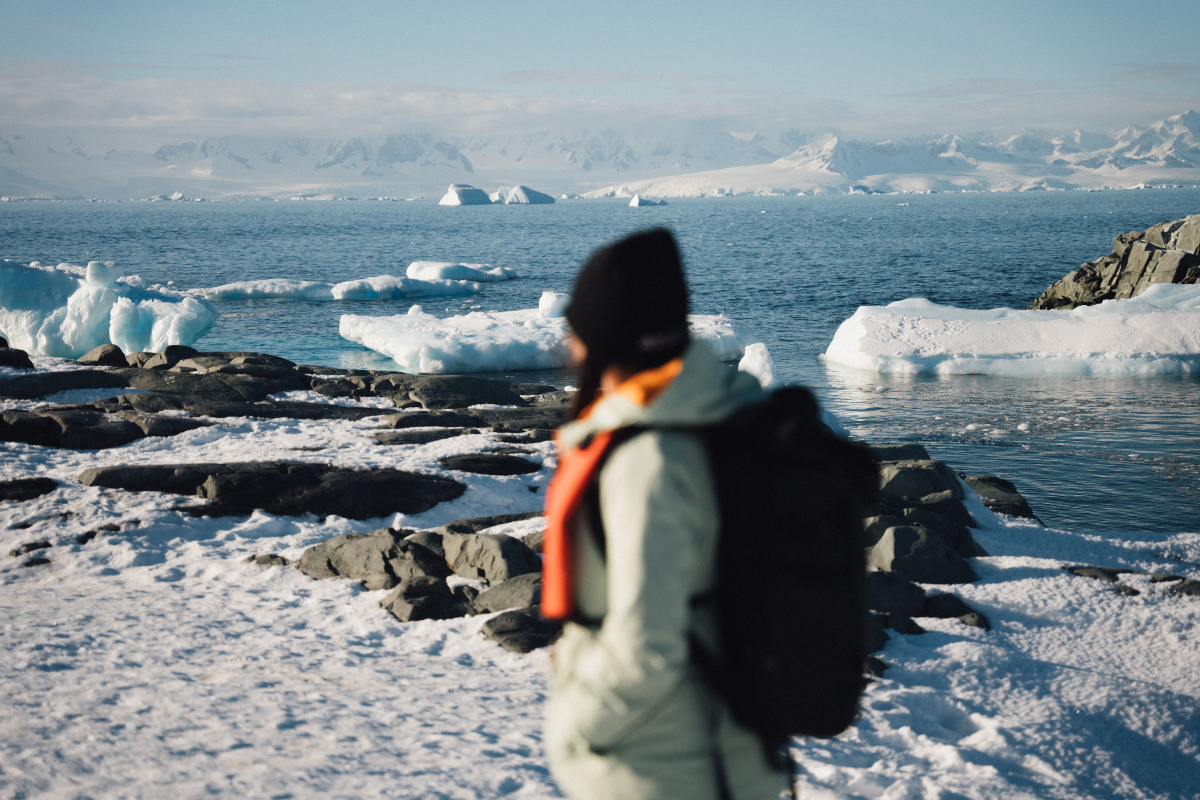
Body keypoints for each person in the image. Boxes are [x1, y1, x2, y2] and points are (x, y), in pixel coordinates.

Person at [541, 228, 791, 800]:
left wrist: (574, 724)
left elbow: (647, 645)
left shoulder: (647, 460)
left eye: (575, 330)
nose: (568, 345)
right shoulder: (719, 416)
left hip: (664, 765)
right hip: (717, 743)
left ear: (602, 341)